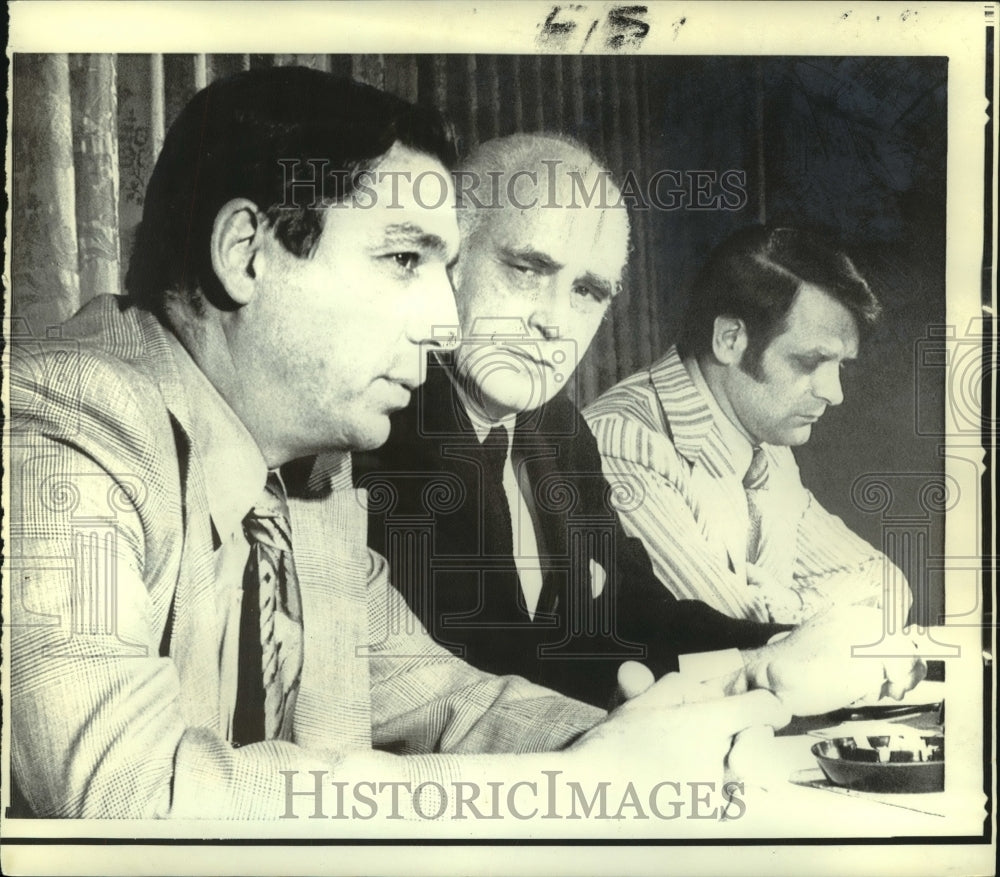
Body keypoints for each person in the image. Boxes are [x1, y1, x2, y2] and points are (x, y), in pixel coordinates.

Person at [7, 72, 921, 821]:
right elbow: (128, 792)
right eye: (405, 260)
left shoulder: (308, 480)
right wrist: (571, 787)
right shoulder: (65, 426)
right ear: (247, 251)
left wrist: (632, 742)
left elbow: (449, 697)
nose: (445, 322)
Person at [352, 134, 918, 708]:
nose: (554, 321)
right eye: (527, 269)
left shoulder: (556, 429)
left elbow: (640, 615)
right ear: (449, 262)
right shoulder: (373, 437)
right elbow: (475, 680)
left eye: (587, 291)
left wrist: (782, 647)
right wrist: (753, 665)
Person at [585, 225, 912, 625]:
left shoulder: (766, 446)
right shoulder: (623, 442)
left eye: (840, 366)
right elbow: (728, 631)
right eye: (810, 362)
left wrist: (795, 605)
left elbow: (887, 584)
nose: (834, 393)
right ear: (729, 339)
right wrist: (805, 615)